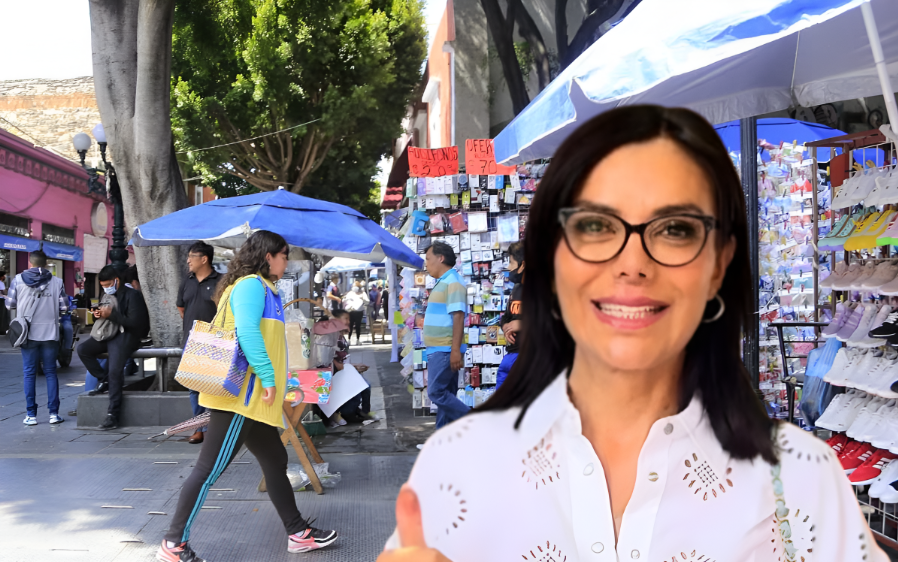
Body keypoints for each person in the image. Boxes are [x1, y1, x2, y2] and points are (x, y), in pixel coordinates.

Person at [377, 106, 887, 562]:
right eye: (597, 226)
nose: (632, 264)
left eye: (676, 230)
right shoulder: (460, 468)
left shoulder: (800, 481)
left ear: (718, 266)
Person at [157, 230, 337, 562]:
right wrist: (268, 378)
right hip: (242, 398)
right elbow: (248, 331)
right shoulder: (251, 286)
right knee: (207, 470)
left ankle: (297, 533)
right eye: (284, 255)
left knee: (275, 460)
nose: (286, 261)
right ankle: (174, 543)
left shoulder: (262, 288)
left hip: (253, 401)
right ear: (268, 256)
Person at [77, 265, 150, 430]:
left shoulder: (133, 296)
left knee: (115, 370)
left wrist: (113, 315)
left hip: (126, 336)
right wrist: (99, 315)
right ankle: (105, 380)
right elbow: (104, 317)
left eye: (108, 284)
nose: (106, 288)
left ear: (116, 280)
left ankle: (112, 415)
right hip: (108, 333)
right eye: (103, 285)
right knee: (83, 350)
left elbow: (137, 324)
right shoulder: (106, 295)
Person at [7, 251, 67, 425]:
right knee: (50, 372)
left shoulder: (18, 280)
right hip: (50, 333)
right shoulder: (57, 282)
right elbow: (64, 307)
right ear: (46, 263)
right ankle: (54, 414)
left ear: (30, 262)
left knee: (29, 373)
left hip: (27, 334)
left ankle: (31, 415)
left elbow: (10, 304)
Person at [176, 241, 220, 445]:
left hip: (215, 341)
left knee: (214, 387)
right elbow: (181, 309)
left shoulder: (221, 281)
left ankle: (217, 429)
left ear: (204, 259)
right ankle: (199, 428)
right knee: (194, 387)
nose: (188, 260)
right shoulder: (187, 281)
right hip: (191, 340)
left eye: (191, 256)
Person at [422, 241, 469, 429]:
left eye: (428, 259)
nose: (426, 264)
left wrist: (455, 350)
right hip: (440, 348)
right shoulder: (445, 281)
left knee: (436, 392)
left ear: (440, 258)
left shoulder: (453, 282)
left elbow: (458, 316)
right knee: (446, 394)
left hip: (445, 348)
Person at [497, 241, 524, 388]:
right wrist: (506, 326)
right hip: (511, 355)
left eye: (511, 263)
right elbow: (507, 316)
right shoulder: (517, 287)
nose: (508, 267)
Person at [0, 270, 8, 334]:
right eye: (4, 275)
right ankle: (2, 330)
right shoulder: (1, 283)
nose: (5, 276)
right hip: (1, 300)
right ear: (1, 276)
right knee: (2, 315)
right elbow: (4, 292)